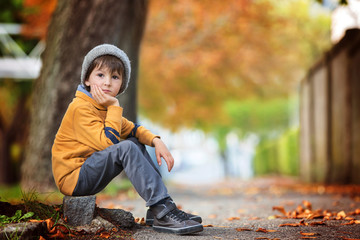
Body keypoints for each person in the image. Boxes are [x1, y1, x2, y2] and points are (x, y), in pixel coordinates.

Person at [51, 44, 203, 235]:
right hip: (73, 177)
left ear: (121, 84)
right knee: (126, 148)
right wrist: (114, 105)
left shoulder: (102, 107)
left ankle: (160, 209)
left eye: (114, 77)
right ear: (87, 80)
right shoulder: (81, 108)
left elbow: (133, 129)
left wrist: (156, 141)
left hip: (87, 170)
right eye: (100, 75)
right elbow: (110, 144)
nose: (107, 83)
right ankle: (162, 211)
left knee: (133, 143)